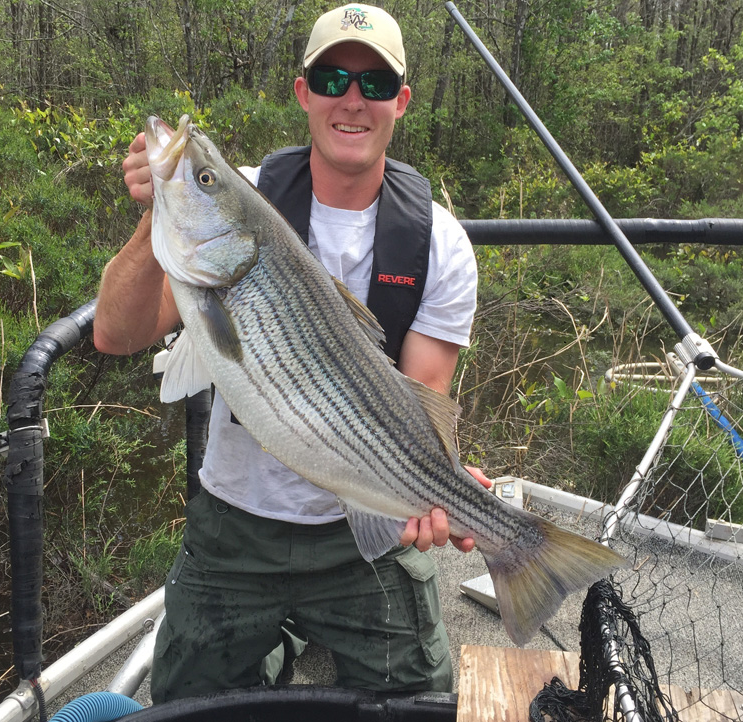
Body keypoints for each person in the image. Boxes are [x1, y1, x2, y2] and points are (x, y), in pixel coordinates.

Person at [94, 2, 488, 704]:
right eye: (333, 78)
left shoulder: (441, 244)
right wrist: (162, 208)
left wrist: (442, 486)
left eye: (374, 83)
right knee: (186, 704)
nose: (352, 100)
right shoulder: (248, 194)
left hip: (363, 529)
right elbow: (115, 335)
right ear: (304, 92)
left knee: (417, 703)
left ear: (400, 101)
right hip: (235, 521)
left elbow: (421, 396)